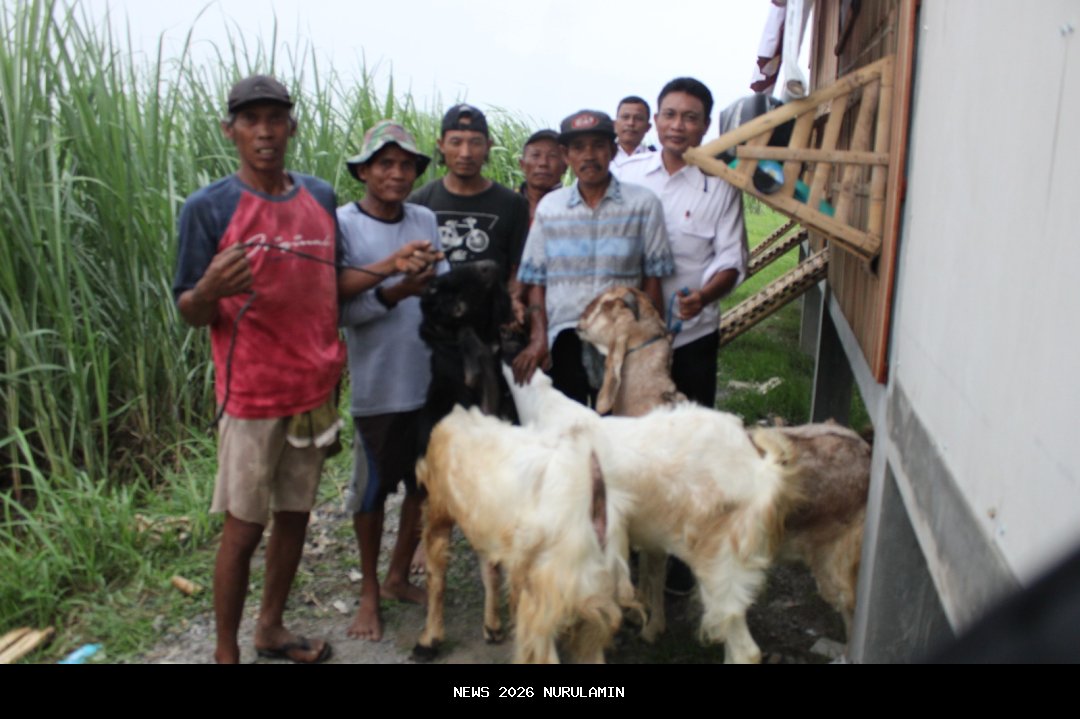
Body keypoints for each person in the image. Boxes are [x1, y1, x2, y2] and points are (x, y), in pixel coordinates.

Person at [173, 77, 431, 664]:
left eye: (275, 119)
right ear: (230, 130)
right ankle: (224, 653)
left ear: (291, 126)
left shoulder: (316, 197)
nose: (264, 131)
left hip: (314, 390)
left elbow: (328, 285)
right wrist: (209, 288)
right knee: (243, 529)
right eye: (250, 120)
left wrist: (389, 264)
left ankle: (271, 629)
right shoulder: (209, 207)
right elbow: (191, 309)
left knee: (294, 516)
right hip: (252, 397)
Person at [338, 120, 447, 642]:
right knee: (371, 492)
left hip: (427, 380)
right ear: (363, 171)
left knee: (421, 488)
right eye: (385, 163)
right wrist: (397, 285)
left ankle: (398, 576)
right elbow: (342, 306)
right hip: (378, 384)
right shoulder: (344, 224)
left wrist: (430, 281)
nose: (397, 174)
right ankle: (367, 594)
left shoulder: (424, 216)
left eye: (406, 165)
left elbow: (439, 293)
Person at [513, 109, 674, 404]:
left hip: (623, 338)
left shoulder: (642, 204)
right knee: (570, 432)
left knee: (620, 430)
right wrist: (538, 338)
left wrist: (655, 346)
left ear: (612, 150)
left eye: (598, 145)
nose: (589, 155)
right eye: (578, 147)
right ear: (566, 155)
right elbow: (536, 280)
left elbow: (653, 278)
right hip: (564, 338)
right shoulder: (551, 207)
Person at [617, 77, 748, 410]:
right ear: (656, 121)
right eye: (669, 115)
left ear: (705, 126)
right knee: (629, 428)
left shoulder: (721, 185)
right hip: (628, 333)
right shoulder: (624, 175)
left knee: (691, 430)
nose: (678, 126)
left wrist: (703, 298)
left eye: (690, 118)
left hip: (692, 334)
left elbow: (732, 258)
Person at [409, 103, 529, 285]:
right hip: (433, 309)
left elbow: (518, 269)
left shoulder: (513, 204)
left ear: (488, 146)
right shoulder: (419, 202)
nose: (465, 153)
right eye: (456, 143)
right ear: (441, 145)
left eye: (475, 143)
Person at [518, 129, 567, 225]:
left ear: (565, 166)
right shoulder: (506, 204)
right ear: (522, 164)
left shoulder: (574, 209)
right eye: (536, 155)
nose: (543, 163)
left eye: (552, 156)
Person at [611, 95, 657, 170]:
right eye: (625, 117)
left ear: (648, 127)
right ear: (614, 124)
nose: (631, 123)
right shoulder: (604, 157)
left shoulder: (656, 160)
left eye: (638, 118)